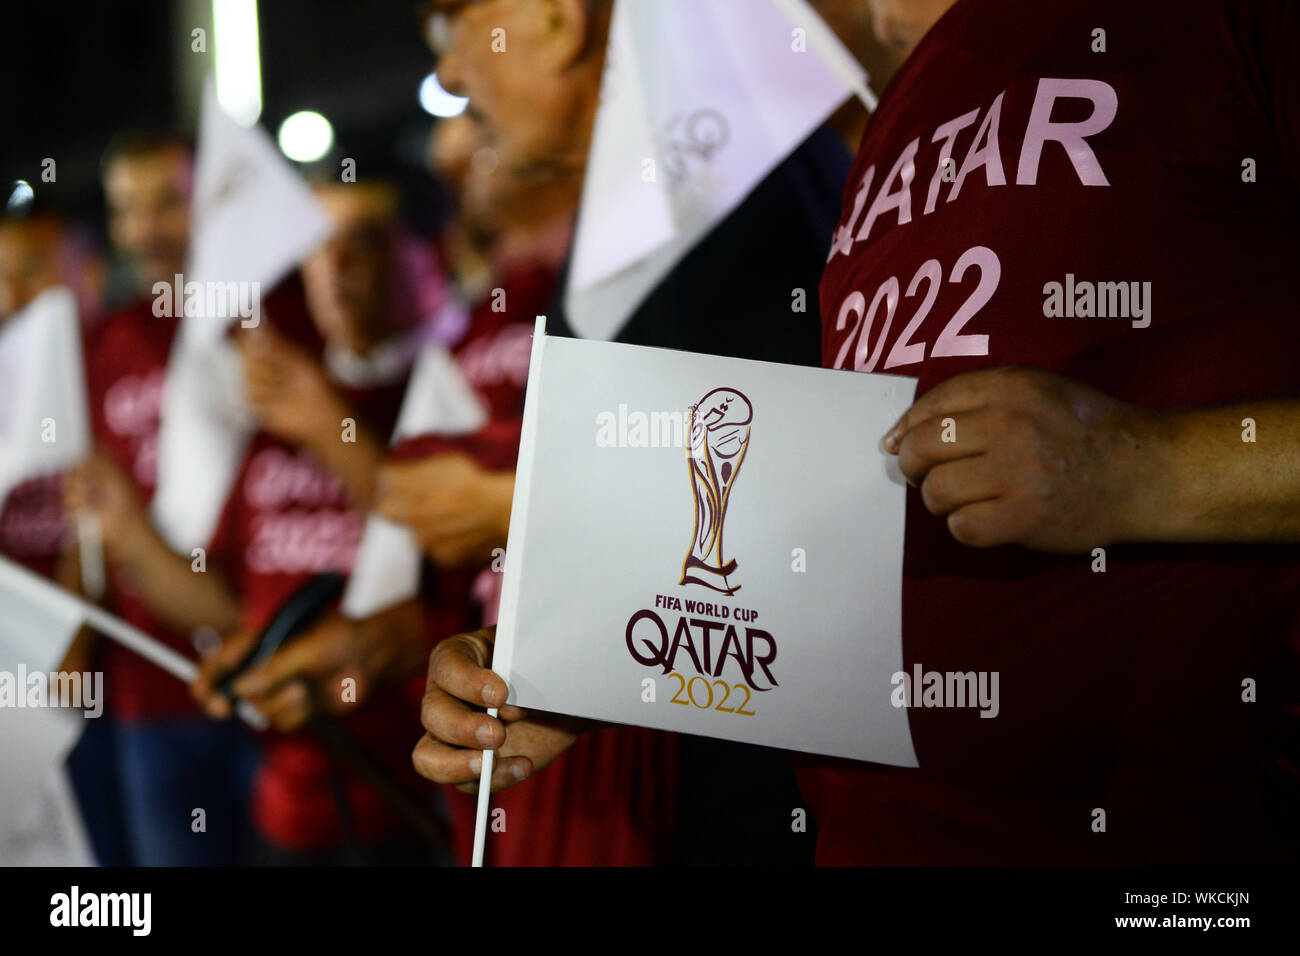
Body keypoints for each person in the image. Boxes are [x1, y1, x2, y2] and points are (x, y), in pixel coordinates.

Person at [417, 0, 1300, 866]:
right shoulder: (897, 115)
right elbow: (858, 522)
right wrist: (595, 653)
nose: (451, 71)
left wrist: (1147, 471)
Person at [410, 0, 871, 864]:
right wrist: (529, 661)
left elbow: (836, 508)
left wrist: (515, 506)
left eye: (452, 25)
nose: (451, 76)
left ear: (556, 20)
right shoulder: (652, 201)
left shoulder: (738, 190)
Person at [190, 179, 453, 865]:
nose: (336, 270)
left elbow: (453, 563)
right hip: (282, 798)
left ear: (422, 257)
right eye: (316, 249)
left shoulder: (443, 392)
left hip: (406, 795)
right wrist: (246, 649)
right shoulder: (275, 411)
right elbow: (237, 581)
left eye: (363, 242)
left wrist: (328, 427)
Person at [61, 129, 260, 866]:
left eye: (167, 203)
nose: (146, 227)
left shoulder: (264, 321)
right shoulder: (101, 345)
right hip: (152, 688)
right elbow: (84, 518)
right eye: (127, 209)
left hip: (269, 665)